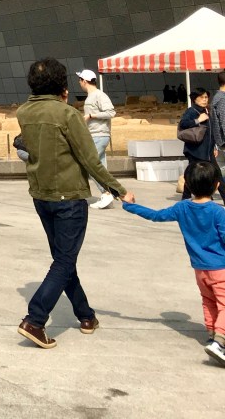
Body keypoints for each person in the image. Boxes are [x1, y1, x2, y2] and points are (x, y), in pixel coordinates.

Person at [15, 58, 133, 349]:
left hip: (41, 196)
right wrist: (118, 190)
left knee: (63, 259)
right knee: (64, 261)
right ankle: (35, 319)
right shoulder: (67, 114)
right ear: (62, 85)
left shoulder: (24, 111)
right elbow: (90, 159)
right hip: (68, 197)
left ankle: (86, 315)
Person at [122, 160, 225, 364]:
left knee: (209, 300)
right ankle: (220, 342)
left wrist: (130, 206)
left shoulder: (182, 208)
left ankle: (212, 333)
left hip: (199, 269)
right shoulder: (218, 212)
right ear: (217, 185)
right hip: (220, 268)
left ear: (187, 184)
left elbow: (155, 216)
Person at [76, 69, 116, 209]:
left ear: (84, 81)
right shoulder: (91, 96)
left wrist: (91, 116)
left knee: (89, 164)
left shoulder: (99, 95)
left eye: (80, 80)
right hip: (95, 135)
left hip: (99, 135)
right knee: (100, 167)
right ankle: (108, 193)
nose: (79, 82)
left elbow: (111, 112)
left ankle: (106, 193)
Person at [179, 88, 223, 200]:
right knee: (193, 175)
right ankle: (186, 198)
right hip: (195, 151)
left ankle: (201, 197)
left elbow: (211, 131)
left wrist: (215, 146)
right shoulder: (192, 111)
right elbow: (183, 124)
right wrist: (198, 120)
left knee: (216, 175)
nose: (205, 100)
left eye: (206, 97)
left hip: (208, 151)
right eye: (201, 97)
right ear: (194, 99)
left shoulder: (207, 110)